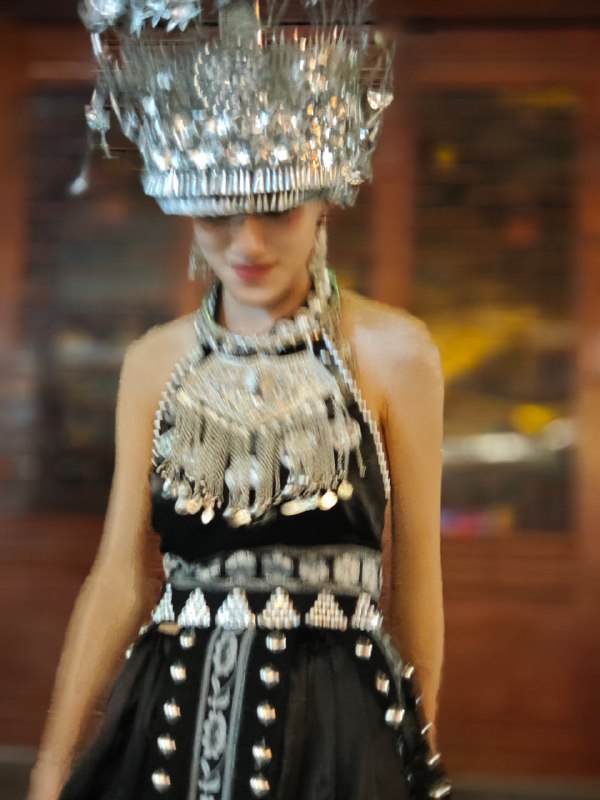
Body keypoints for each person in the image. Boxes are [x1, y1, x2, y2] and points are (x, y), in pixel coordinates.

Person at [27, 1, 452, 799]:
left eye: (277, 209)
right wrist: (50, 769)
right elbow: (120, 575)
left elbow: (417, 581)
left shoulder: (396, 355)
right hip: (171, 718)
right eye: (218, 213)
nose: (247, 243)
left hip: (336, 730)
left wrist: (416, 749)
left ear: (323, 200)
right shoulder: (154, 362)